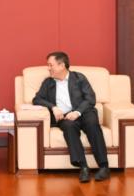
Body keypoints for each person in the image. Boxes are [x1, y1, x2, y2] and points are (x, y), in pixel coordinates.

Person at [32, 51, 110, 183]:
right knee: (69, 127)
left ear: (62, 65)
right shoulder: (48, 83)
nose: (48, 68)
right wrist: (53, 107)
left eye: (51, 65)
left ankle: (104, 166)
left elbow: (90, 98)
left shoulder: (79, 78)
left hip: (84, 112)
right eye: (48, 65)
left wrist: (77, 112)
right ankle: (83, 167)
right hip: (65, 116)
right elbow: (37, 99)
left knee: (92, 125)